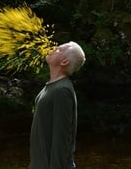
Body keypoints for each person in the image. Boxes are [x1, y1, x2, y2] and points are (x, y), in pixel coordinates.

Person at [29, 41, 86, 169]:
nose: (54, 48)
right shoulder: (51, 87)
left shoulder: (62, 91)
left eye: (59, 49)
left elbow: (62, 138)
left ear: (64, 62)